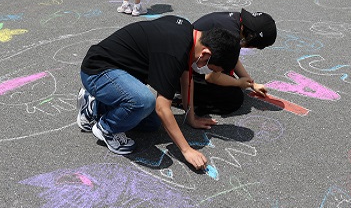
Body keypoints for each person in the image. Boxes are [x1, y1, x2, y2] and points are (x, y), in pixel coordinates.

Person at [77, 16, 241, 171]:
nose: (206, 71)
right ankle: (107, 128)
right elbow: (162, 108)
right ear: (205, 54)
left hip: (116, 72)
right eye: (211, 68)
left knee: (152, 124)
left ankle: (95, 104)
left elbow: (187, 79)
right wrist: (186, 150)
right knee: (144, 102)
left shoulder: (189, 34)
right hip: (97, 70)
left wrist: (191, 118)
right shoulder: (174, 52)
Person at [191, 9, 277, 115]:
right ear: (251, 38)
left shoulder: (236, 22)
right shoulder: (232, 35)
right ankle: (187, 99)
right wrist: (238, 83)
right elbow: (211, 77)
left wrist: (252, 84)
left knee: (229, 81)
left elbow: (232, 59)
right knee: (233, 99)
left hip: (196, 60)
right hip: (187, 68)